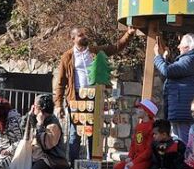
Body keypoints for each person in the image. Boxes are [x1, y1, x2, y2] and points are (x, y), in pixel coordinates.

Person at [54, 25, 136, 161]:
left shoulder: (94, 51)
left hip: (94, 96)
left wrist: (129, 34)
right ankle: (72, 165)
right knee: (75, 133)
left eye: (85, 34)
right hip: (76, 97)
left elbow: (115, 48)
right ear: (73, 38)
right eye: (81, 35)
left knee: (94, 131)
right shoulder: (67, 56)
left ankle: (94, 163)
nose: (84, 36)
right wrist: (58, 104)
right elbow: (61, 82)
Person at [152, 33, 194, 141]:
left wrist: (157, 56)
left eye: (180, 44)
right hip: (183, 110)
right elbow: (173, 74)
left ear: (187, 47)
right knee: (182, 142)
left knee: (184, 144)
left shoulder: (189, 59)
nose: (178, 47)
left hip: (184, 110)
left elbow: (168, 71)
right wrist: (164, 59)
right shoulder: (192, 59)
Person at [21, 94, 69, 169]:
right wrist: (29, 116)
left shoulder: (53, 124)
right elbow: (22, 128)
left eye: (35, 106)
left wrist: (40, 125)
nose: (33, 108)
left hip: (50, 157)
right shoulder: (34, 117)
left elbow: (47, 144)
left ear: (41, 109)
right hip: (34, 154)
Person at [115, 98, 156, 169]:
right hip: (135, 159)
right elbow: (134, 144)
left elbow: (149, 150)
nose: (137, 110)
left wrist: (134, 162)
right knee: (117, 168)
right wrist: (130, 157)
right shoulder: (139, 125)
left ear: (146, 111)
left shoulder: (152, 126)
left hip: (144, 160)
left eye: (140, 108)